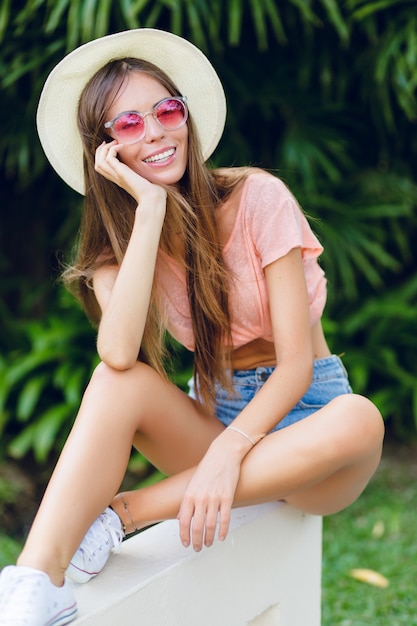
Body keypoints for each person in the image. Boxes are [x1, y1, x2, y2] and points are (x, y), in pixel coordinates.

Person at [0, 28, 384, 626]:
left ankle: (124, 514)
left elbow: (296, 364)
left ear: (186, 117)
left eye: (166, 110)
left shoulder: (259, 197)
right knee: (114, 379)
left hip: (310, 426)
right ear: (105, 151)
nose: (154, 131)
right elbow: (121, 354)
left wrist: (231, 453)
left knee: (361, 417)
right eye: (127, 125)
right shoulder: (120, 251)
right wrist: (150, 210)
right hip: (214, 415)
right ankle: (38, 581)